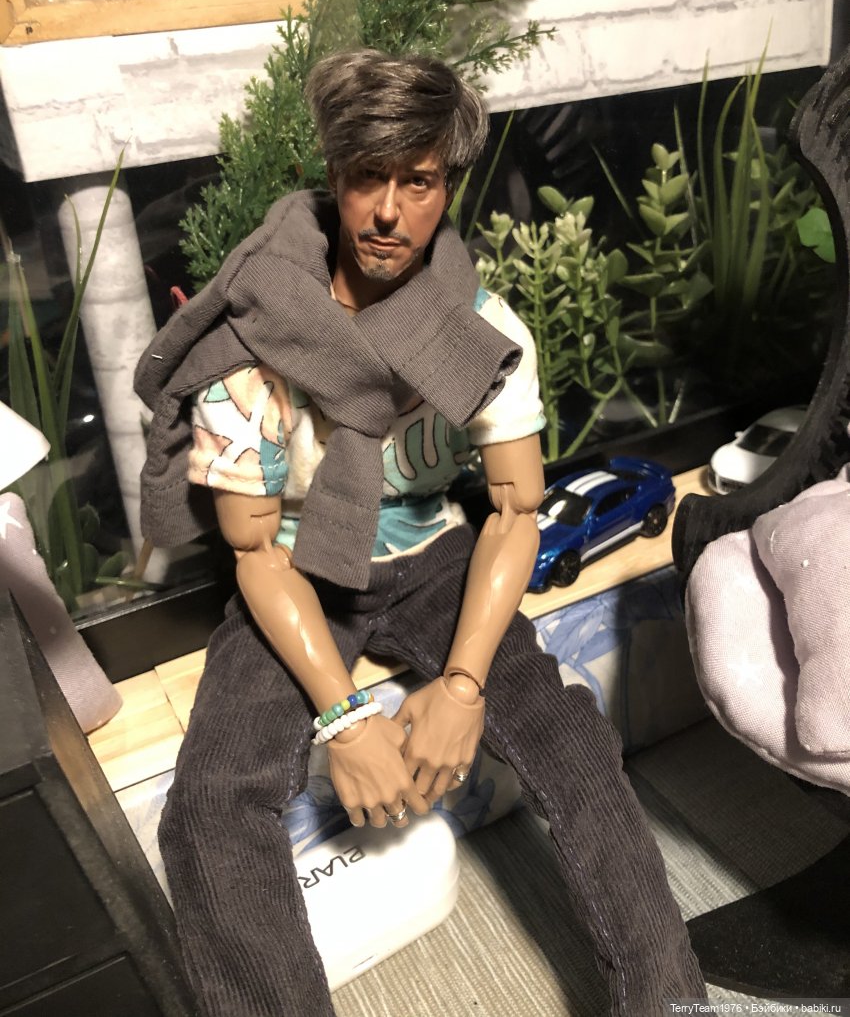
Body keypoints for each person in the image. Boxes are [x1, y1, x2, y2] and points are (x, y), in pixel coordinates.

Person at [134, 49, 705, 1017]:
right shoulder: (258, 341)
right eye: (367, 177)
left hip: (435, 551)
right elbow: (254, 550)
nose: (389, 212)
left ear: (449, 186)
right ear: (334, 174)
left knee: (569, 738)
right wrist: (346, 718)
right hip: (303, 564)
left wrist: (465, 684)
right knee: (211, 800)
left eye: (419, 181)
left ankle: (669, 1001)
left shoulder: (480, 330)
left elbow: (514, 510)